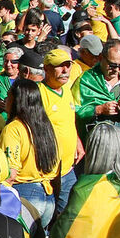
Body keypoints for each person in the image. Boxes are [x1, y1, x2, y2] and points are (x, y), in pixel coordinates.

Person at [0, 78, 59, 230]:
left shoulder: (13, 129)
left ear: (16, 100)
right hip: (48, 198)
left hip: (26, 195)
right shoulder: (46, 126)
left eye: (8, 96)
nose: (5, 100)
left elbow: (10, 173)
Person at [38, 48, 82, 211]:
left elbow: (69, 120)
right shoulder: (39, 95)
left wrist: (77, 142)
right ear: (47, 69)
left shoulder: (67, 91)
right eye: (59, 66)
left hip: (68, 167)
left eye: (68, 66)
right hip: (49, 171)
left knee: (68, 214)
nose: (65, 71)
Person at [75, 39, 120, 137]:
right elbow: (73, 110)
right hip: (94, 139)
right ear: (101, 58)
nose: (117, 70)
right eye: (112, 65)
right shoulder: (85, 80)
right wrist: (98, 110)